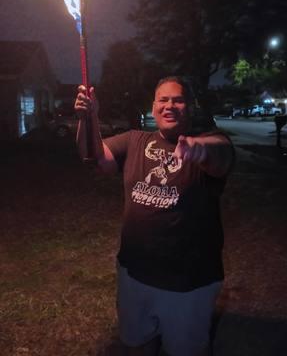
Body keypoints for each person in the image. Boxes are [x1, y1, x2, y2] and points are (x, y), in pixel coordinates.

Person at [74, 76, 234, 356]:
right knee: (136, 343)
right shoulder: (135, 140)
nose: (169, 105)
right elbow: (94, 156)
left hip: (188, 284)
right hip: (134, 275)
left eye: (178, 100)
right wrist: (90, 118)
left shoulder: (210, 142)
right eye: (163, 99)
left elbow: (221, 156)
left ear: (190, 107)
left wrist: (199, 149)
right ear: (154, 106)